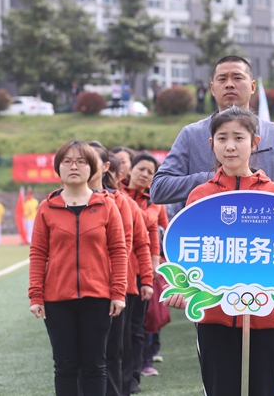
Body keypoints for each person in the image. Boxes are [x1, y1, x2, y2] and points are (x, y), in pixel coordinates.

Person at [163, 107, 274, 396]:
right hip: (214, 320)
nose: (230, 146)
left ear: (255, 143)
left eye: (239, 137)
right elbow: (187, 252)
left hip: (269, 319)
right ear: (211, 144)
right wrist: (179, 287)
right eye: (222, 138)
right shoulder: (200, 196)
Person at [28, 140, 128, 396]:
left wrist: (118, 292)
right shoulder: (46, 208)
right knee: (65, 366)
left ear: (92, 168)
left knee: (95, 366)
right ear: (58, 168)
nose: (74, 166)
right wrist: (36, 295)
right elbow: (38, 254)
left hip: (97, 298)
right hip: (57, 300)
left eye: (81, 161)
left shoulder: (106, 205)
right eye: (67, 161)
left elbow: (118, 251)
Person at [151, 55, 274, 207]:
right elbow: (159, 188)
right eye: (222, 79)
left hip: (263, 221)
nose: (229, 84)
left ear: (252, 86)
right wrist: (216, 179)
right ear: (212, 89)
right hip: (209, 221)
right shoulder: (191, 135)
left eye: (237, 78)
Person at [87, 141, 153, 396]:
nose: (81, 165)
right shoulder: (61, 202)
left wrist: (146, 278)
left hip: (119, 285)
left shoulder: (120, 202)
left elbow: (136, 243)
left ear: (106, 168)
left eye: (88, 160)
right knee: (83, 354)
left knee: (117, 347)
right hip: (83, 287)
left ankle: (124, 386)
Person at [121, 153, 166, 390]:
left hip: (141, 271)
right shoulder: (115, 193)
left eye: (150, 172)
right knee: (117, 329)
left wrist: (156, 263)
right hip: (117, 270)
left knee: (137, 328)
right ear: (131, 169)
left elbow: (154, 228)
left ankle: (132, 379)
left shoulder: (154, 200)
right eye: (141, 169)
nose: (145, 174)